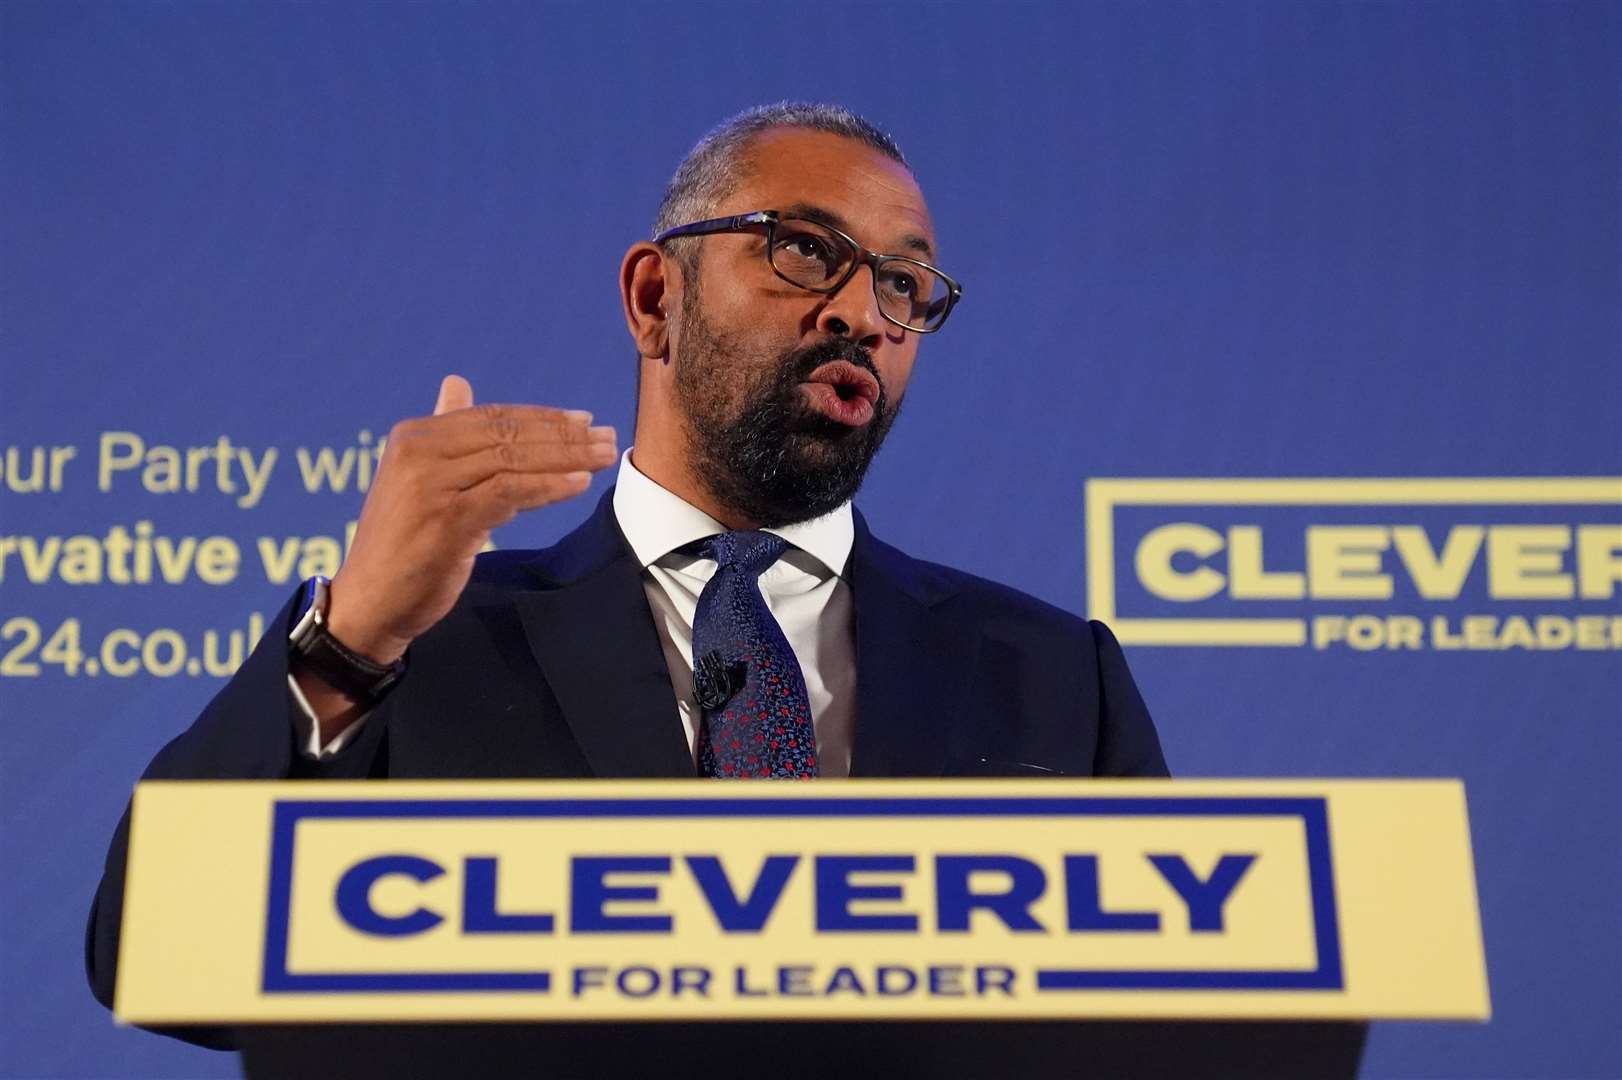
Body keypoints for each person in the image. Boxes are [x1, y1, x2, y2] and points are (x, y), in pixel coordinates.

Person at [86, 102, 1170, 1067]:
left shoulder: (1050, 676)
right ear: (656, 296)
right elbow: (160, 960)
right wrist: (352, 637)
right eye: (802, 249)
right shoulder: (420, 650)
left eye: (902, 282)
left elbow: (1167, 1031)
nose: (863, 314)